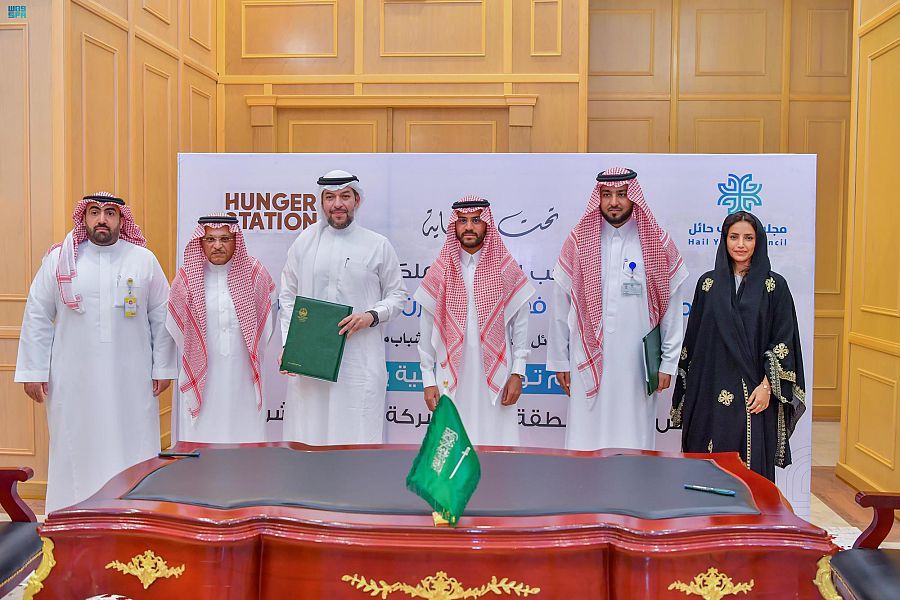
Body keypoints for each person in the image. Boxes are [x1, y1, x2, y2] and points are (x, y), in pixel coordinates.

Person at [15, 192, 176, 512]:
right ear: (84, 217)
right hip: (73, 379)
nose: (102, 219)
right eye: (94, 212)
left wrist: (162, 368)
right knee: (76, 448)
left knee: (131, 447)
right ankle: (71, 516)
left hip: (131, 379)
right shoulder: (60, 259)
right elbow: (37, 313)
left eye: (110, 213)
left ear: (121, 220)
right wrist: (33, 371)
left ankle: (133, 514)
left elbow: (162, 315)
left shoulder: (143, 260)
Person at [546, 167, 688, 451]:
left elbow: (672, 308)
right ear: (598, 198)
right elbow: (561, 305)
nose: (614, 202)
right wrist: (560, 360)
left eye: (621, 194)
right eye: (607, 194)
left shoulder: (657, 242)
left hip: (637, 363)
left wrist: (668, 363)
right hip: (586, 356)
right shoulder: (578, 241)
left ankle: (632, 481)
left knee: (633, 436)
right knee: (586, 437)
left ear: (633, 196)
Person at [672, 211, 806, 480]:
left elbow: (784, 340)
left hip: (754, 392)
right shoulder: (708, 285)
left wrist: (767, 387)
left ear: (759, 241)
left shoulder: (774, 286)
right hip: (710, 389)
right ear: (725, 240)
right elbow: (695, 342)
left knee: (749, 470)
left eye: (748, 238)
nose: (741, 244)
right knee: (709, 466)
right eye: (734, 237)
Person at [278, 170, 407, 445]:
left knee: (355, 437)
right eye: (330, 197)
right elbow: (287, 296)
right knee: (309, 436)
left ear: (356, 200)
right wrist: (291, 345)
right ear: (321, 202)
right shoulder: (304, 243)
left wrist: (371, 316)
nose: (337, 204)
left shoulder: (377, 245)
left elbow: (398, 296)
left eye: (345, 196)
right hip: (310, 362)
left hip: (358, 360)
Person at [415, 196, 534, 446]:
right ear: (454, 225)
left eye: (476, 220)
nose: (469, 227)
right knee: (452, 443)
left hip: (498, 374)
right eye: (463, 221)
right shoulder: (440, 271)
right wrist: (427, 380)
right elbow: (425, 328)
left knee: (497, 442)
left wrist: (517, 372)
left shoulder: (505, 268)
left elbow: (521, 324)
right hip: (449, 374)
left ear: (487, 224)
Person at [167, 213, 276, 443]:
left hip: (243, 374)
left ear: (236, 241)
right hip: (201, 375)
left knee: (245, 435)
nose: (217, 245)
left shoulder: (255, 274)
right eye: (210, 239)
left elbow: (267, 323)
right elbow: (175, 327)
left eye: (225, 239)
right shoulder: (186, 278)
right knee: (202, 440)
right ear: (201, 242)